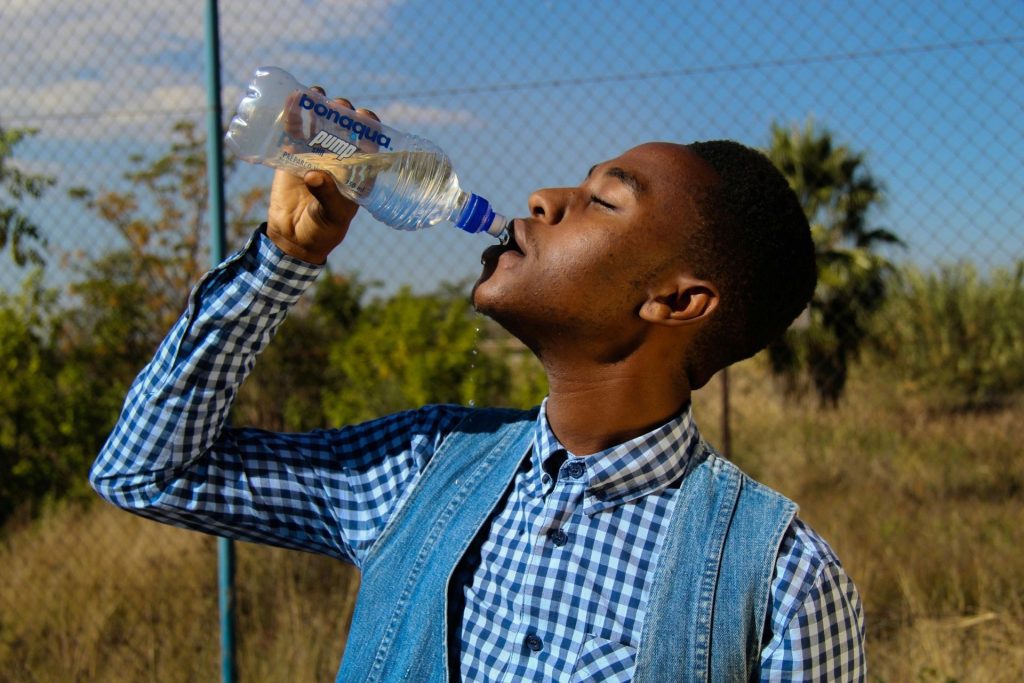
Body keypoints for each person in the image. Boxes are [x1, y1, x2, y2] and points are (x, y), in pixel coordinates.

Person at [91, 93, 866, 681]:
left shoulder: (782, 582)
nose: (544, 200)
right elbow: (147, 471)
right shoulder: (425, 464)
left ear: (674, 301)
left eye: (601, 199)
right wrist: (283, 261)